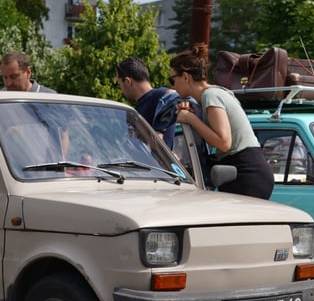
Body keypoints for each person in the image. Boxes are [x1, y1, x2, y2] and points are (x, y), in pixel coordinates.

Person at [169, 44, 274, 199]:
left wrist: (191, 119)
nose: (172, 85)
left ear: (186, 77)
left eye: (172, 79)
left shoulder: (211, 96)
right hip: (244, 171)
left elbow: (224, 142)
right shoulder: (215, 93)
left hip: (246, 173)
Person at [116, 57, 178, 148]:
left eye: (119, 84)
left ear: (128, 82)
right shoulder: (136, 110)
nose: (121, 91)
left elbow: (173, 95)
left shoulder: (161, 96)